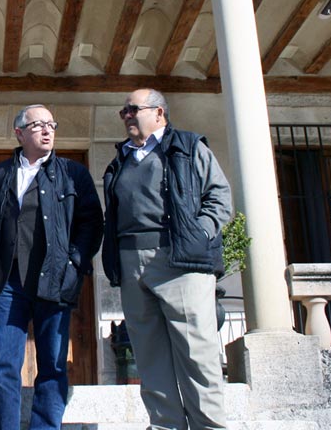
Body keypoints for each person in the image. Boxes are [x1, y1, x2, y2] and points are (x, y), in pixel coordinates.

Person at [102, 89, 233, 430]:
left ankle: (211, 426)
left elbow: (219, 197)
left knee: (197, 354)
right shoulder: (122, 158)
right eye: (123, 112)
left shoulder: (189, 148)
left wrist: (197, 233)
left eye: (133, 109)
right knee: (149, 355)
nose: (127, 115)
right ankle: (165, 425)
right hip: (132, 262)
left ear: (159, 113)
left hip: (180, 261)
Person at [0, 104, 103, 430]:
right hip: (8, 284)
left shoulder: (73, 173)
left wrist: (74, 264)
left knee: (51, 363)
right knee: (3, 365)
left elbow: (92, 223)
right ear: (20, 133)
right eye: (38, 125)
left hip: (54, 279)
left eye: (52, 124)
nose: (48, 130)